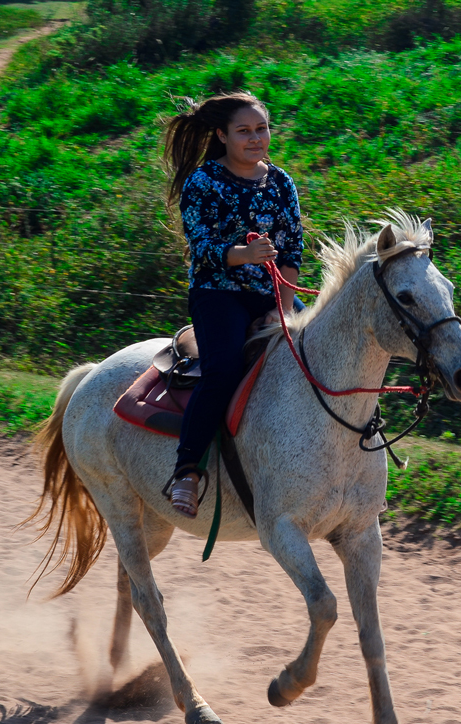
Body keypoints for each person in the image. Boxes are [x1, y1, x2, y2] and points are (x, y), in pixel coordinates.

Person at [161, 92, 304, 517]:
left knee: (323, 356)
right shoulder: (202, 182)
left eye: (262, 129)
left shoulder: (281, 182)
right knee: (222, 370)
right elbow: (202, 248)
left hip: (271, 294)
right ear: (222, 135)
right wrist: (246, 254)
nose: (256, 138)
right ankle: (187, 470)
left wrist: (282, 307)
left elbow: (293, 251)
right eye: (244, 131)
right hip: (217, 293)